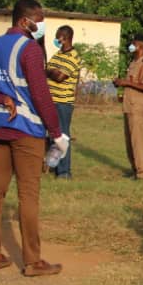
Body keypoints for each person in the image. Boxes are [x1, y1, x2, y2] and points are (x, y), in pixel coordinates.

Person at [0, 0, 67, 277]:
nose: (41, 25)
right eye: (39, 19)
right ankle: (32, 260)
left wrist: (0, 97)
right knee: (28, 194)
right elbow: (41, 95)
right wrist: (56, 133)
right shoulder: (29, 49)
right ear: (24, 21)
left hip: (0, 125)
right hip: (27, 130)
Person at [113, 33, 143, 180]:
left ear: (141, 46)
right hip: (129, 106)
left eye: (133, 43)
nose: (131, 45)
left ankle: (142, 172)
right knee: (129, 140)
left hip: (138, 107)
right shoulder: (133, 63)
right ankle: (134, 168)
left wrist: (126, 83)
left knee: (138, 140)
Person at [46, 25, 81, 180]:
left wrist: (50, 71)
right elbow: (48, 69)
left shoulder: (73, 56)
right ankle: (53, 165)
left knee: (62, 136)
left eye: (57, 36)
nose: (56, 39)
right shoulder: (58, 54)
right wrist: (51, 71)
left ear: (64, 37)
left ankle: (64, 171)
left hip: (63, 102)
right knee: (52, 135)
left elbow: (60, 77)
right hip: (51, 100)